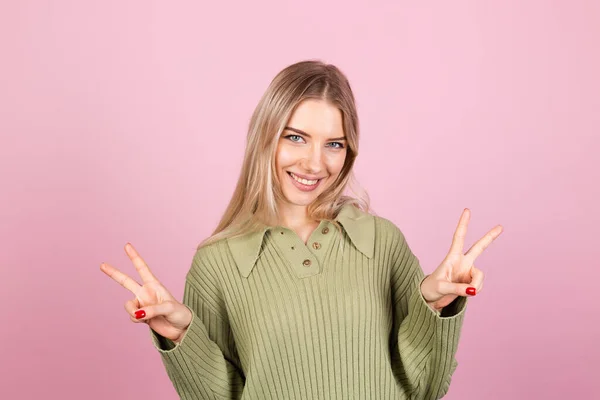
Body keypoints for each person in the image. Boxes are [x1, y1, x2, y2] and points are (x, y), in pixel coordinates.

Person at [100, 60, 503, 399]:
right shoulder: (218, 263)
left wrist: (433, 305)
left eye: (334, 144)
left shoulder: (381, 242)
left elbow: (425, 387)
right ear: (266, 139)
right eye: (296, 138)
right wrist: (182, 335)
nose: (314, 164)